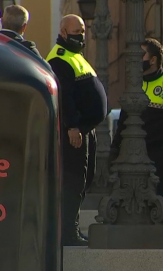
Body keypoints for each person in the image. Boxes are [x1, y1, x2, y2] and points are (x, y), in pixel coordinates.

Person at [46, 14, 107, 246]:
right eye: (76, 31)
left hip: (84, 129)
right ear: (63, 32)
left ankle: (71, 228)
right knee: (73, 181)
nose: (81, 35)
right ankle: (68, 233)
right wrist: (72, 126)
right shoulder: (59, 58)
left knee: (84, 179)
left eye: (82, 31)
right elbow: (65, 96)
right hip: (74, 132)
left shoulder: (75, 55)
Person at [110, 38, 163, 215]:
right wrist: (114, 150)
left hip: (158, 156)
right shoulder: (134, 85)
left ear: (153, 60)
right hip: (131, 157)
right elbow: (123, 122)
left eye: (141, 55)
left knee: (160, 207)